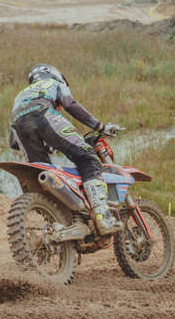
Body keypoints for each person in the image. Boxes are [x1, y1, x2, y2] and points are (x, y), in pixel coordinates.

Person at [8, 64, 122, 236]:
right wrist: (99, 126)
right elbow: (69, 103)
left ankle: (58, 223)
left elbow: (13, 142)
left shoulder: (21, 95)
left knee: (42, 172)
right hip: (44, 114)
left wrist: (48, 143)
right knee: (88, 158)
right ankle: (103, 217)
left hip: (19, 126)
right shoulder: (54, 83)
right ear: (55, 75)